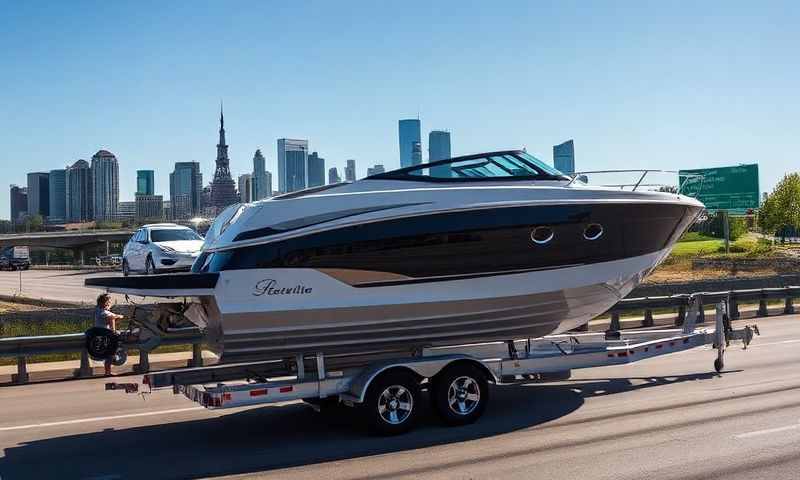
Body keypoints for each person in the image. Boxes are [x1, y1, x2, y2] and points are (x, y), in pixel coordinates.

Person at [94, 293, 124, 376]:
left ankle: (108, 371)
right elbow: (111, 318)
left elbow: (112, 317)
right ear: (105, 303)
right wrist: (113, 331)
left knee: (110, 354)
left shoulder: (98, 310)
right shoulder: (102, 312)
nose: (109, 303)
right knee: (110, 354)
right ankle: (108, 372)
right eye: (108, 302)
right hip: (105, 336)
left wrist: (117, 317)